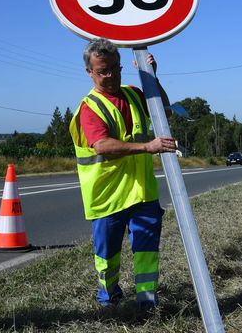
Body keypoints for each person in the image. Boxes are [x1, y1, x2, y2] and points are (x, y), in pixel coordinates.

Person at [69, 38, 177, 309]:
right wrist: (147, 146)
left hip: (142, 191)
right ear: (89, 72)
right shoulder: (89, 107)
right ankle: (110, 302)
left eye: (115, 68)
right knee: (108, 258)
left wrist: (153, 77)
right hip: (108, 197)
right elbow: (102, 145)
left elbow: (164, 111)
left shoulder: (132, 94)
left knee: (147, 254)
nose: (111, 75)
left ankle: (147, 304)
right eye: (103, 71)